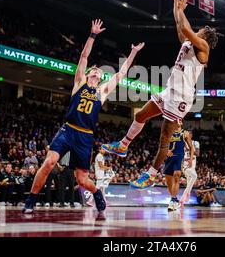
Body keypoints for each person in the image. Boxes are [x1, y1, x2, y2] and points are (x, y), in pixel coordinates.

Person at [102, 0, 222, 190]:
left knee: (164, 138)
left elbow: (185, 28)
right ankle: (123, 146)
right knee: (140, 115)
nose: (198, 30)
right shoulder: (189, 43)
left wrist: (181, 10)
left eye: (200, 30)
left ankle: (150, 175)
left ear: (205, 35)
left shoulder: (203, 46)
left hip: (181, 97)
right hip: (169, 91)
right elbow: (180, 26)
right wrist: (176, 7)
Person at [22, 19, 145, 213]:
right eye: (94, 72)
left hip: (85, 136)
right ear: (88, 75)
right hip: (68, 130)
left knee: (82, 179)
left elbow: (121, 73)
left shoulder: (102, 91)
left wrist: (133, 53)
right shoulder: (79, 83)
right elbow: (84, 56)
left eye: (99, 73)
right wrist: (92, 35)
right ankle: (31, 200)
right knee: (49, 163)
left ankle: (96, 193)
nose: (97, 74)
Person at [164, 124, 194, 211]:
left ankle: (173, 200)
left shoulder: (185, 133)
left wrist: (191, 159)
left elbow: (191, 147)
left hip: (179, 157)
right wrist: (167, 151)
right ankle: (175, 199)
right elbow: (163, 145)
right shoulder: (169, 132)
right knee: (168, 180)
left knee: (177, 175)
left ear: (181, 122)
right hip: (169, 158)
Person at [180, 131, 199, 205]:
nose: (187, 135)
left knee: (190, 180)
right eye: (186, 134)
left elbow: (197, 154)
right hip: (185, 164)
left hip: (193, 164)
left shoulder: (195, 143)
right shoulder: (182, 143)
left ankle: (186, 194)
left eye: (189, 134)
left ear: (191, 135)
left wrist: (191, 149)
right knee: (194, 176)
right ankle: (184, 196)